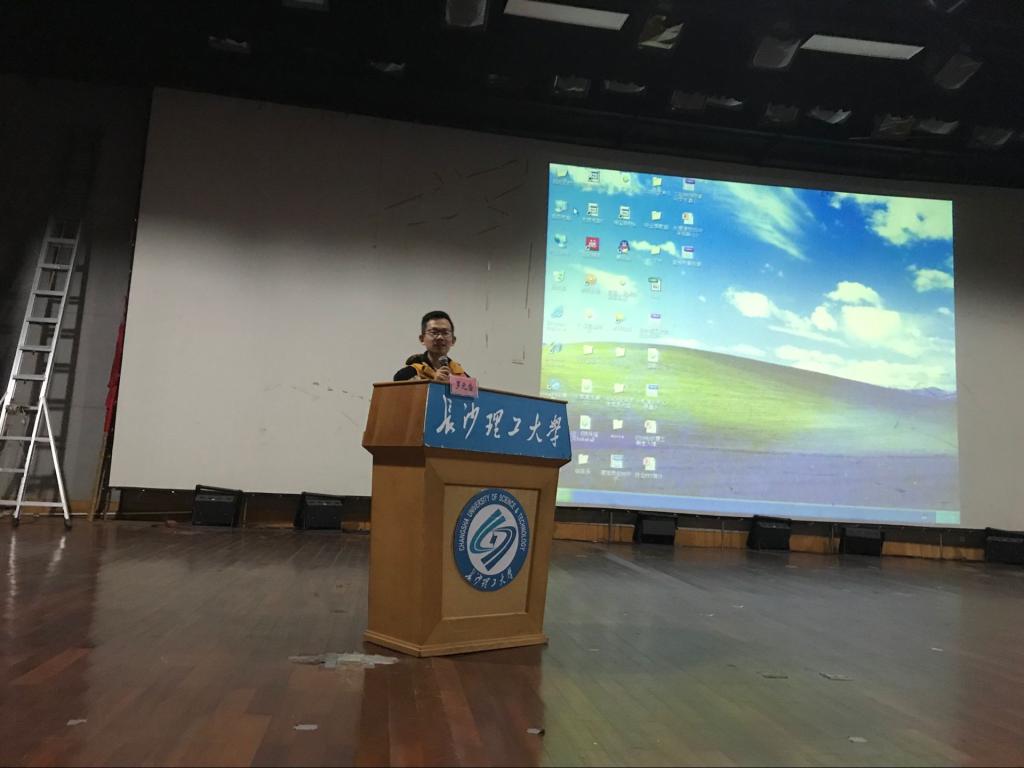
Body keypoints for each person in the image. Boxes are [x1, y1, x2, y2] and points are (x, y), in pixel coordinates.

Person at [393, 310, 469, 383]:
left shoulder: (462, 376)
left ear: (453, 340)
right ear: (422, 339)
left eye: (445, 333)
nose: (440, 337)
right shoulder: (407, 375)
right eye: (434, 332)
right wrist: (435, 384)